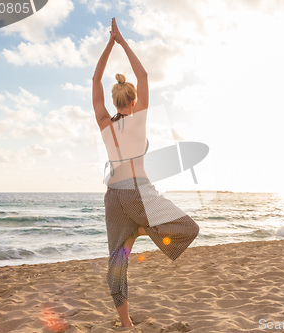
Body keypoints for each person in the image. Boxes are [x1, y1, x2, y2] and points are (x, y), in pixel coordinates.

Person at [92, 17, 200, 328]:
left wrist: (108, 45)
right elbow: (143, 74)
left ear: (114, 100)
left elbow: (96, 80)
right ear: (134, 100)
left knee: (116, 265)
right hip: (138, 192)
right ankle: (140, 232)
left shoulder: (103, 121)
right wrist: (122, 41)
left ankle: (126, 324)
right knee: (188, 229)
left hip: (112, 197)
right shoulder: (139, 119)